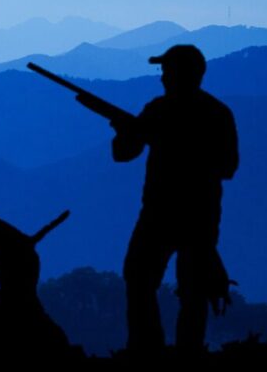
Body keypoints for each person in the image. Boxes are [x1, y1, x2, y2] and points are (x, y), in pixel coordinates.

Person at [92, 44, 238, 354]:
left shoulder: (161, 110)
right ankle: (182, 353)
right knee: (186, 289)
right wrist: (125, 130)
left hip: (163, 214)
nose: (162, 77)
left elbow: (123, 154)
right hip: (199, 214)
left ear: (183, 74)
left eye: (167, 71)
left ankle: (147, 351)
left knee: (146, 280)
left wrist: (136, 135)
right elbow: (228, 167)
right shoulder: (216, 113)